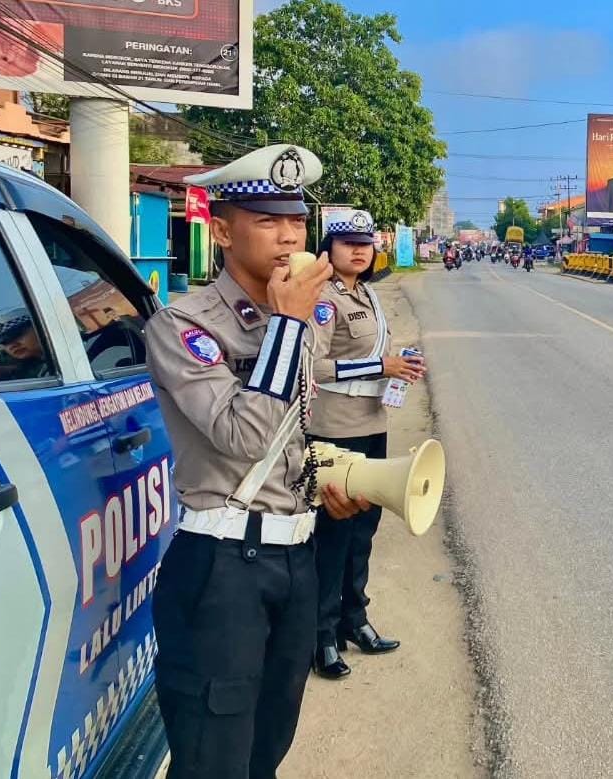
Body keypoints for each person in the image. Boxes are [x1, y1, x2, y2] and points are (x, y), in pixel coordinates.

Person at [147, 144, 369, 779]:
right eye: (267, 220)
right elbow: (242, 434)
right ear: (221, 231)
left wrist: (322, 478)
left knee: (268, 746)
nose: (288, 237)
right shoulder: (183, 324)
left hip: (297, 556)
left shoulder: (305, 313)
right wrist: (287, 327)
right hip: (222, 572)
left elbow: (292, 427)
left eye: (297, 222)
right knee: (214, 758)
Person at [308, 209, 426, 679]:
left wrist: (403, 365)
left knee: (364, 531)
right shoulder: (321, 298)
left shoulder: (370, 295)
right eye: (347, 242)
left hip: (373, 424)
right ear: (328, 249)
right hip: (335, 431)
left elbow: (379, 357)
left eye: (366, 242)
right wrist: (380, 369)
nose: (359, 249)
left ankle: (356, 619)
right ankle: (322, 636)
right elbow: (312, 367)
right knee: (333, 535)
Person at [0, 308, 52, 379]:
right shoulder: (23, 371)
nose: (11, 346)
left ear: (38, 327)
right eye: (4, 343)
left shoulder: (62, 353)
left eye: (15, 336)